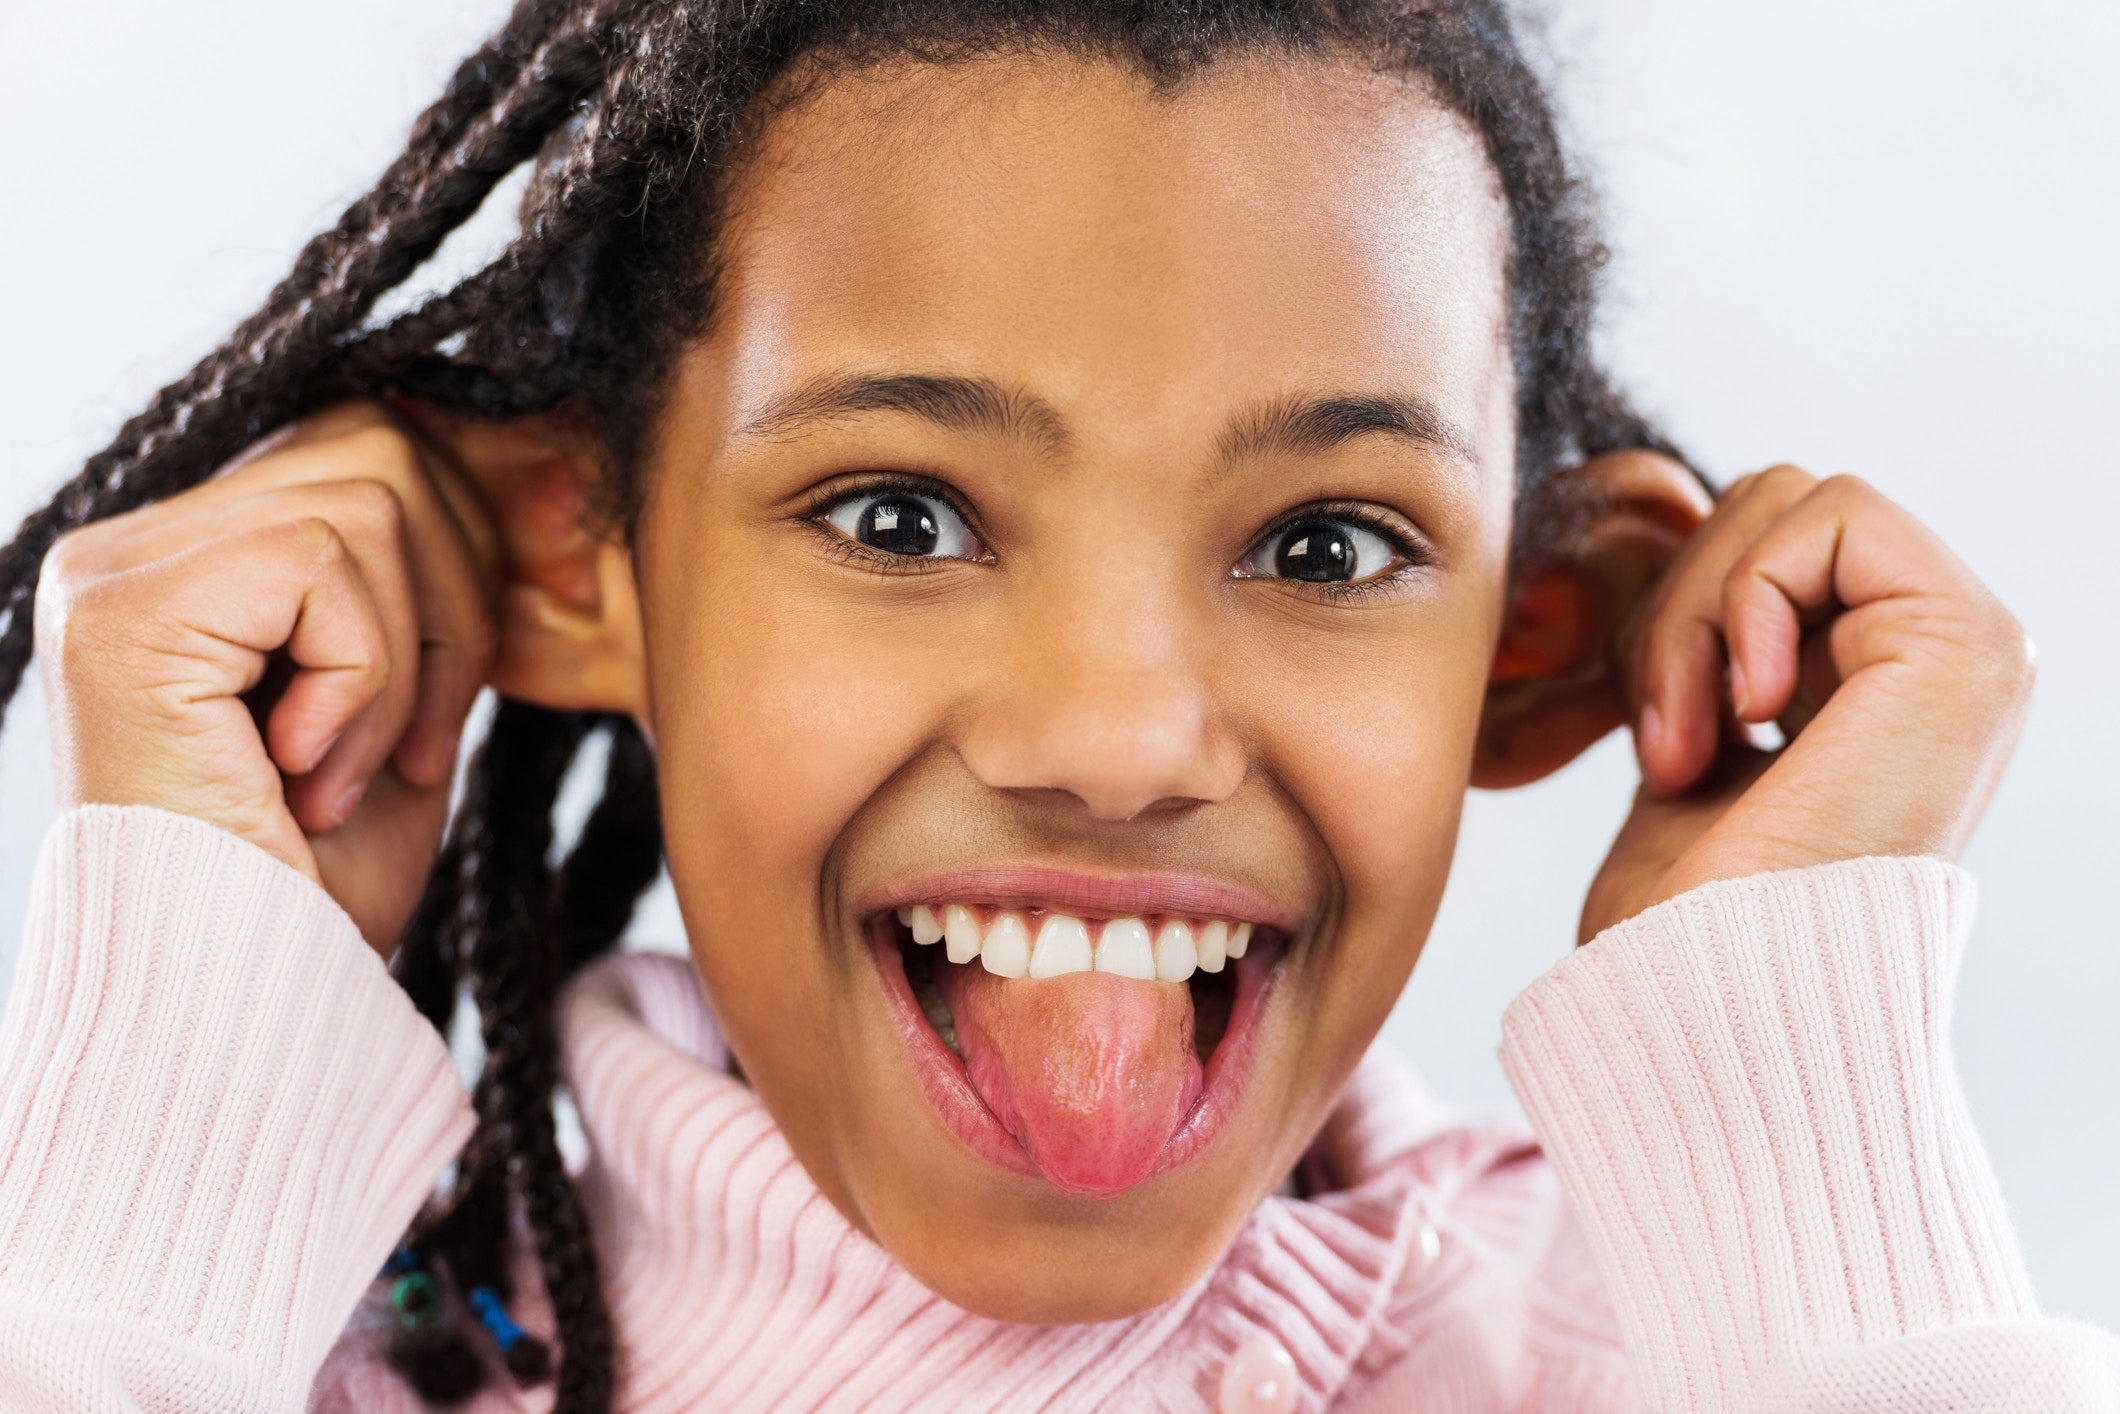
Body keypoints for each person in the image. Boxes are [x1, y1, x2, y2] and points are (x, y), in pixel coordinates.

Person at [1, 1, 2113, 1409]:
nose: (1116, 733)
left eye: (1326, 544)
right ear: (581, 555)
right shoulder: (214, 1350)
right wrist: (186, 1040)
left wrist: (1786, 1090)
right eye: (901, 512)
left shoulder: (1746, 1351)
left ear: (1538, 634)